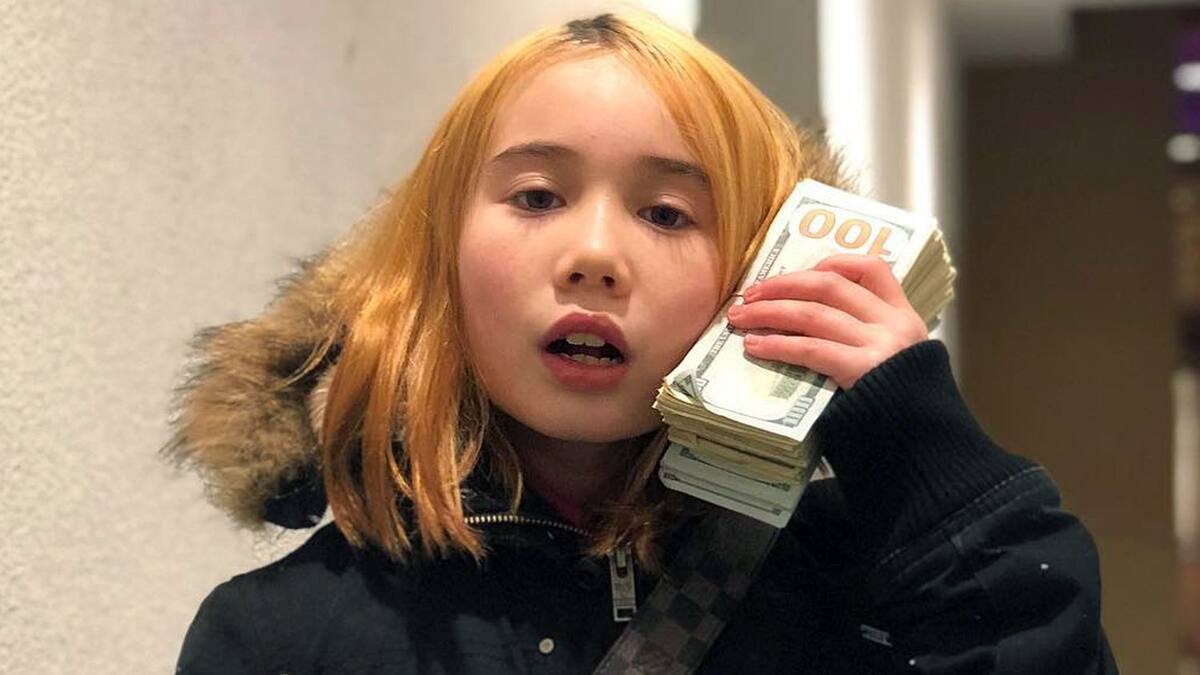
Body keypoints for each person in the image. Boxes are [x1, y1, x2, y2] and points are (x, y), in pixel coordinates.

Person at [167, 11, 1118, 674]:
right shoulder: (278, 636)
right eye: (536, 196)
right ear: (436, 257)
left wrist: (930, 464)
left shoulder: (864, 592)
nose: (594, 255)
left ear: (761, 268)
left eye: (667, 213)